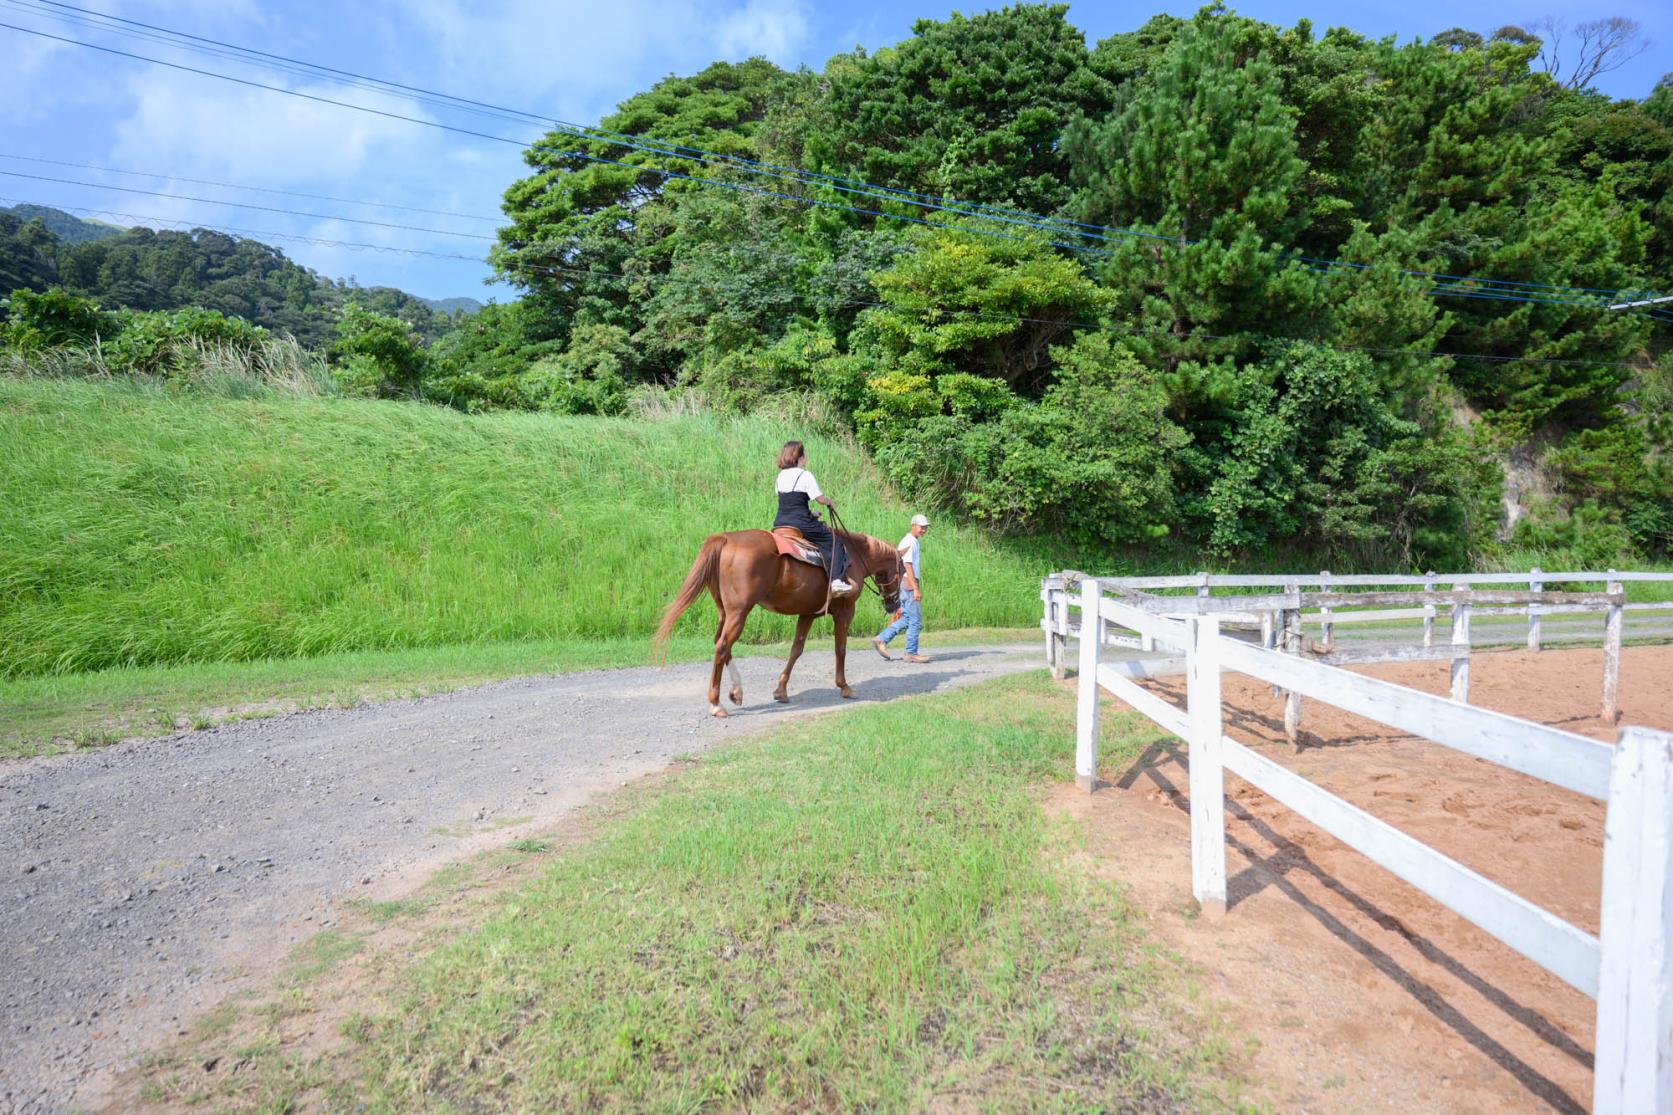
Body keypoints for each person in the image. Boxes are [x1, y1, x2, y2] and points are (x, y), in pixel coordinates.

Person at [773, 440, 855, 594]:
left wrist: (811, 514)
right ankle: (836, 581)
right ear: (800, 457)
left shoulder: (780, 477)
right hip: (801, 524)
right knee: (834, 541)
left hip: (780, 523)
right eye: (805, 455)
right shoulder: (805, 475)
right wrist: (829, 502)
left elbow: (789, 504)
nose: (806, 458)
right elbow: (819, 498)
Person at [873, 513, 929, 662]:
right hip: (909, 584)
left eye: (925, 527)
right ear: (913, 525)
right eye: (921, 527)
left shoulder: (912, 541)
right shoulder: (909, 542)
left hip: (905, 584)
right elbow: (907, 565)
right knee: (915, 621)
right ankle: (911, 652)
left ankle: (881, 639)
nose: (923, 530)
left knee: (906, 619)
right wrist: (915, 588)